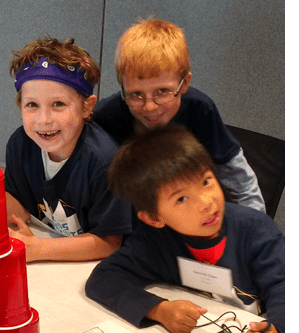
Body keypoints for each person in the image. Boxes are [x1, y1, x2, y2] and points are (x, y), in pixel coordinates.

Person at [84, 125, 284, 333]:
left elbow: (282, 288)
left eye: (206, 181)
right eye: (181, 198)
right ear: (154, 218)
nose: (206, 202)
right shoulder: (155, 240)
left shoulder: (256, 231)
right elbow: (104, 279)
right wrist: (159, 309)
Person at [94, 17, 265, 212]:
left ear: (185, 84)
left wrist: (256, 229)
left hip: (194, 213)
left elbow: (240, 181)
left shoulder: (200, 110)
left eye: (162, 92)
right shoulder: (104, 117)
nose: (149, 106)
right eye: (136, 94)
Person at [4, 37, 132, 263]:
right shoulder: (20, 144)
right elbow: (21, 210)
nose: (43, 120)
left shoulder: (104, 162)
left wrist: (38, 249)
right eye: (32, 105)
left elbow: (110, 243)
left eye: (58, 105)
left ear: (87, 107)